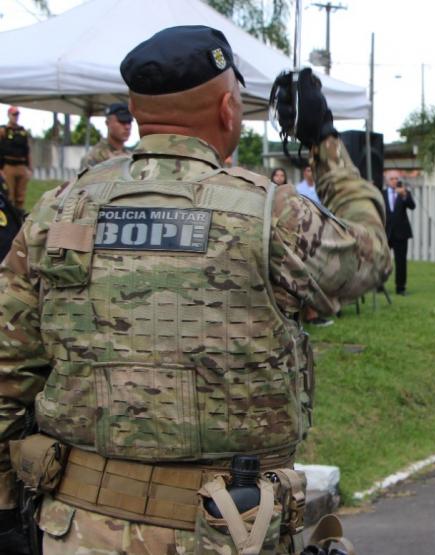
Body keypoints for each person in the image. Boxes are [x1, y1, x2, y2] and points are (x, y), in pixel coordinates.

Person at [0, 25, 390, 554]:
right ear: (229, 109)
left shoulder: (57, 210)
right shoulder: (271, 216)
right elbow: (370, 255)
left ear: (137, 113)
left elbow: (7, 368)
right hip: (225, 532)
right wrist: (324, 143)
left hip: (76, 530)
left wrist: (5, 510)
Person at [383, 174, 416, 295]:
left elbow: (412, 206)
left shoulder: (404, 193)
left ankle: (400, 287)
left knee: (401, 261)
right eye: (392, 178)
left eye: (396, 178)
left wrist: (404, 195)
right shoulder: (382, 194)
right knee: (382, 260)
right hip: (386, 233)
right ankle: (379, 285)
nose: (394, 181)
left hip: (401, 233)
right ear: (387, 181)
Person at [79, 102, 134, 170]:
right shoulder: (94, 157)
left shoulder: (131, 156)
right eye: (122, 121)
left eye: (129, 122)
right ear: (107, 123)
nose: (127, 127)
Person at [0, 106, 31, 210]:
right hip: (8, 166)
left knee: (21, 197)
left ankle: (19, 217)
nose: (16, 117)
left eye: (17, 115)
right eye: (14, 114)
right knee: (9, 195)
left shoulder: (22, 131)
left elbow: (27, 150)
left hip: (21, 166)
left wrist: (29, 167)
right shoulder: (3, 130)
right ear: (9, 115)